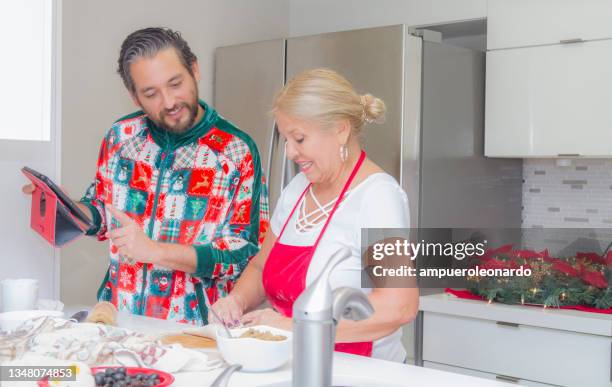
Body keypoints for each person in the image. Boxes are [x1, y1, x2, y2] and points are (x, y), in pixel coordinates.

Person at [22, 27, 269, 325]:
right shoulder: (121, 136)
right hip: (118, 320)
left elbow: (243, 254)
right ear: (134, 97)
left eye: (175, 84)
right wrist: (67, 208)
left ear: (195, 69)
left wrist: (156, 252)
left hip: (196, 331)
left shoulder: (236, 151)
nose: (168, 102)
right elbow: (104, 210)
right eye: (150, 93)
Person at [210, 68, 418, 362]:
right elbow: (260, 267)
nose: (290, 153)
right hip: (296, 366)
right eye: (286, 140)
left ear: (340, 130)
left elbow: (399, 306)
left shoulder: (377, 198)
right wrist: (237, 299)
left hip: (361, 374)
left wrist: (294, 327)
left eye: (300, 139)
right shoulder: (297, 190)